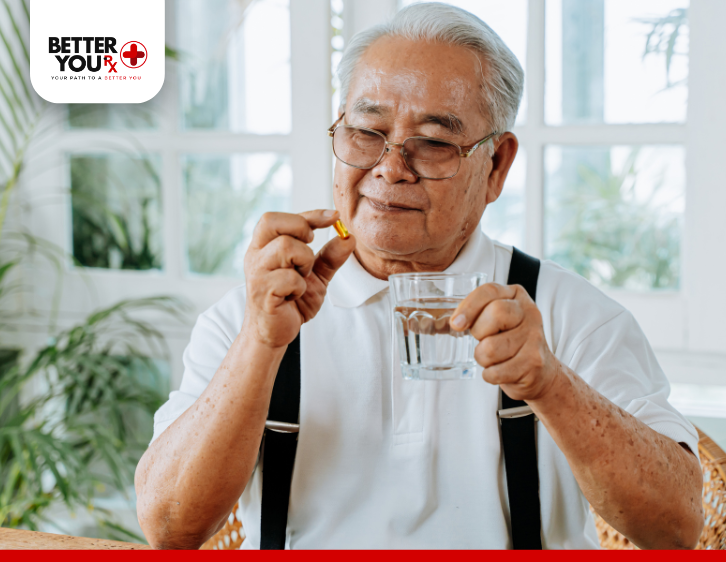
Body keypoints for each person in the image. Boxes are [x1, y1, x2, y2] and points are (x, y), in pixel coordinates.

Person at [135, 3, 703, 550]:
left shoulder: (569, 313)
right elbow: (169, 528)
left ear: (496, 166)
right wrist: (261, 343)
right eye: (365, 132)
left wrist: (550, 384)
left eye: (432, 143)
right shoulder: (252, 314)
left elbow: (676, 528)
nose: (389, 168)